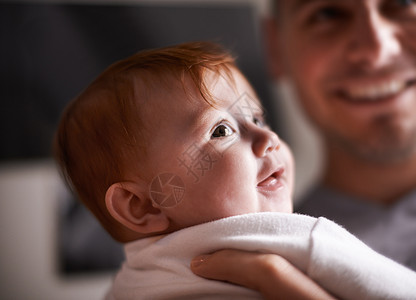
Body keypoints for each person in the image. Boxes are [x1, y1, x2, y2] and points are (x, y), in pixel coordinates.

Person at [54, 42, 416, 299]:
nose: (268, 137)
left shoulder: (128, 285)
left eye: (257, 118)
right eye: (221, 130)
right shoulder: (295, 240)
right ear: (143, 205)